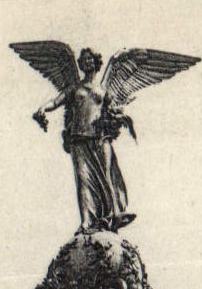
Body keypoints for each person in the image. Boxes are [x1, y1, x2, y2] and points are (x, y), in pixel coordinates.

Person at [31, 47, 134, 233]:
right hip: (79, 139)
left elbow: (115, 109)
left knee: (106, 177)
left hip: (100, 139)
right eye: (84, 60)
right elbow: (56, 101)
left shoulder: (103, 89)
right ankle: (87, 221)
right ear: (80, 64)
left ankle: (111, 217)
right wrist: (43, 109)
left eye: (90, 59)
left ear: (96, 61)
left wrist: (118, 118)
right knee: (83, 180)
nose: (87, 62)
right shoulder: (74, 88)